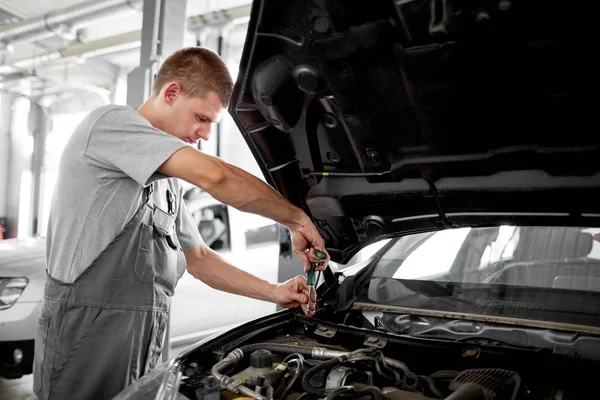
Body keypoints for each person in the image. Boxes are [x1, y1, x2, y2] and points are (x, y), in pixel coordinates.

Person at [33, 47, 330, 400]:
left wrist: (274, 292)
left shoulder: (164, 181)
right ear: (171, 92)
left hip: (144, 348)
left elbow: (200, 259)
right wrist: (296, 219)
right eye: (201, 118)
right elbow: (216, 177)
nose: (204, 133)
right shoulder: (109, 123)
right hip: (84, 344)